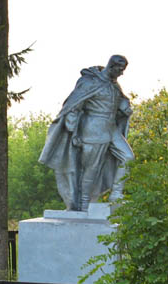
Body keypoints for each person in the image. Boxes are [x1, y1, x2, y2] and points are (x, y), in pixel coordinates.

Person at [39, 55, 134, 211]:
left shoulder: (114, 85)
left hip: (111, 128)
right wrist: (73, 131)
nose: (121, 74)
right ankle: (83, 205)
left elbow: (120, 99)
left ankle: (116, 195)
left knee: (128, 157)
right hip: (93, 130)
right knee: (91, 169)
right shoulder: (89, 82)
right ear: (111, 66)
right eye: (120, 70)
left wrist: (124, 105)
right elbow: (73, 106)